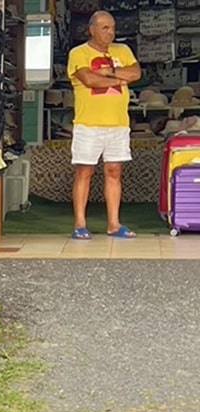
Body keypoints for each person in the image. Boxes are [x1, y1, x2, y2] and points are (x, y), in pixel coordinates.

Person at [67, 11, 141, 240]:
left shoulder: (123, 50)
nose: (111, 33)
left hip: (118, 123)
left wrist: (109, 72)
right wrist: (120, 80)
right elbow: (89, 80)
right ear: (92, 30)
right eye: (105, 28)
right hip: (88, 123)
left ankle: (114, 224)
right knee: (84, 172)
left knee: (114, 171)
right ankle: (80, 224)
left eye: (113, 28)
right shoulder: (78, 53)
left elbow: (136, 73)